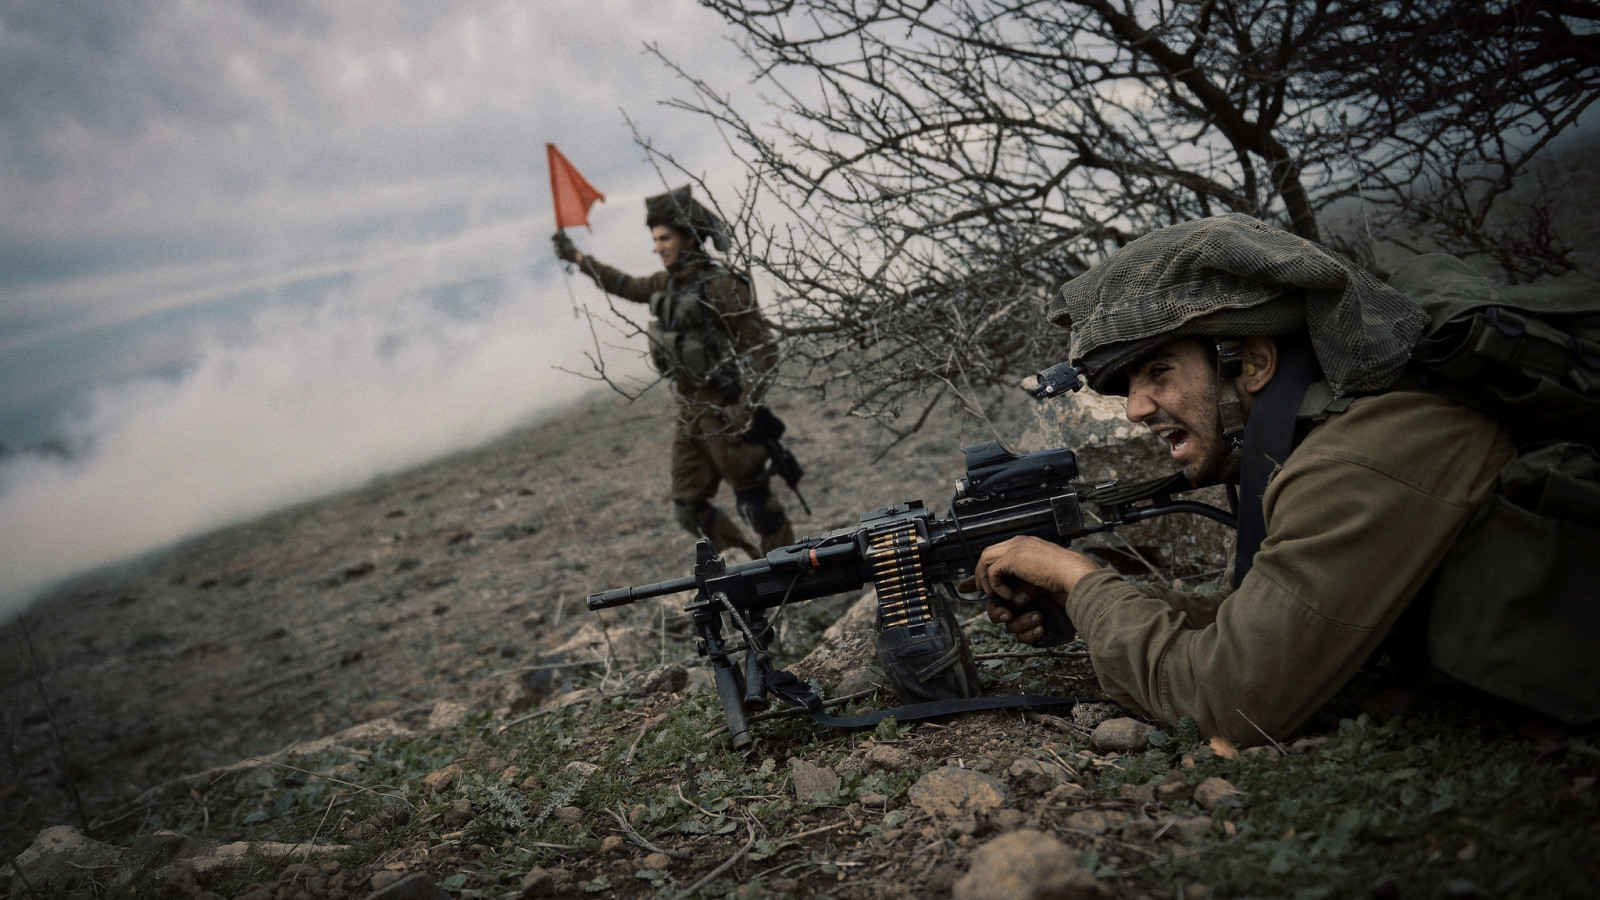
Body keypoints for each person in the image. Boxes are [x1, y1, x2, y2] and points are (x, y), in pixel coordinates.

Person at [969, 213, 1517, 747]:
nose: (1135, 409)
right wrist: (1082, 600)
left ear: (1252, 363)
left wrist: (1080, 577)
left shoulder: (1352, 461)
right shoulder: (1315, 437)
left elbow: (1225, 698)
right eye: (1130, 385)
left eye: (1158, 372)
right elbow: (1261, 620)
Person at [552, 187, 795, 557]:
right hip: (689, 415)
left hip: (724, 413)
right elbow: (624, 285)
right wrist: (578, 258)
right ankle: (747, 566)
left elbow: (764, 353)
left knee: (757, 505)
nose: (658, 247)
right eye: (654, 239)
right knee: (688, 509)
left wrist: (743, 410)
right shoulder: (666, 285)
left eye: (665, 238)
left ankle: (790, 576)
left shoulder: (722, 286)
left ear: (690, 237)